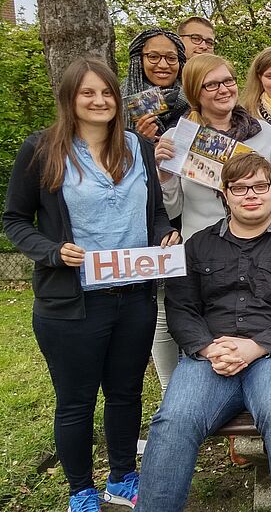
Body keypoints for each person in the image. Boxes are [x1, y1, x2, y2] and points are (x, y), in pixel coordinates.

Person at [2, 57, 179, 512]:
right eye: (88, 93)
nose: (99, 101)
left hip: (134, 295)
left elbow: (155, 211)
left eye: (107, 92)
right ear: (70, 99)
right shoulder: (42, 149)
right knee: (76, 401)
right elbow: (16, 220)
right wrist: (52, 251)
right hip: (73, 302)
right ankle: (80, 489)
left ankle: (122, 477)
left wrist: (164, 235)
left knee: (126, 393)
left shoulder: (137, 147)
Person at [137, 153, 271, 511]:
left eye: (259, 186)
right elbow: (181, 308)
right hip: (212, 356)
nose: (250, 194)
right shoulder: (198, 245)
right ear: (225, 194)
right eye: (239, 188)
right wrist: (207, 349)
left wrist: (256, 346)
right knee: (174, 419)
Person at [151, 54, 271, 389]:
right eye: (211, 84)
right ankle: (175, 389)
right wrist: (163, 173)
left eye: (227, 81)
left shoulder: (263, 133)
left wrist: (270, 176)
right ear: (195, 92)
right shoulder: (179, 136)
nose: (222, 89)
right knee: (174, 316)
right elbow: (172, 206)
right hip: (200, 246)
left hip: (258, 245)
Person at [123, 28, 189, 138]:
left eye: (171, 58)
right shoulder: (117, 101)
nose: (163, 65)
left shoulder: (197, 97)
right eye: (153, 57)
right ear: (139, 61)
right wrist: (140, 142)